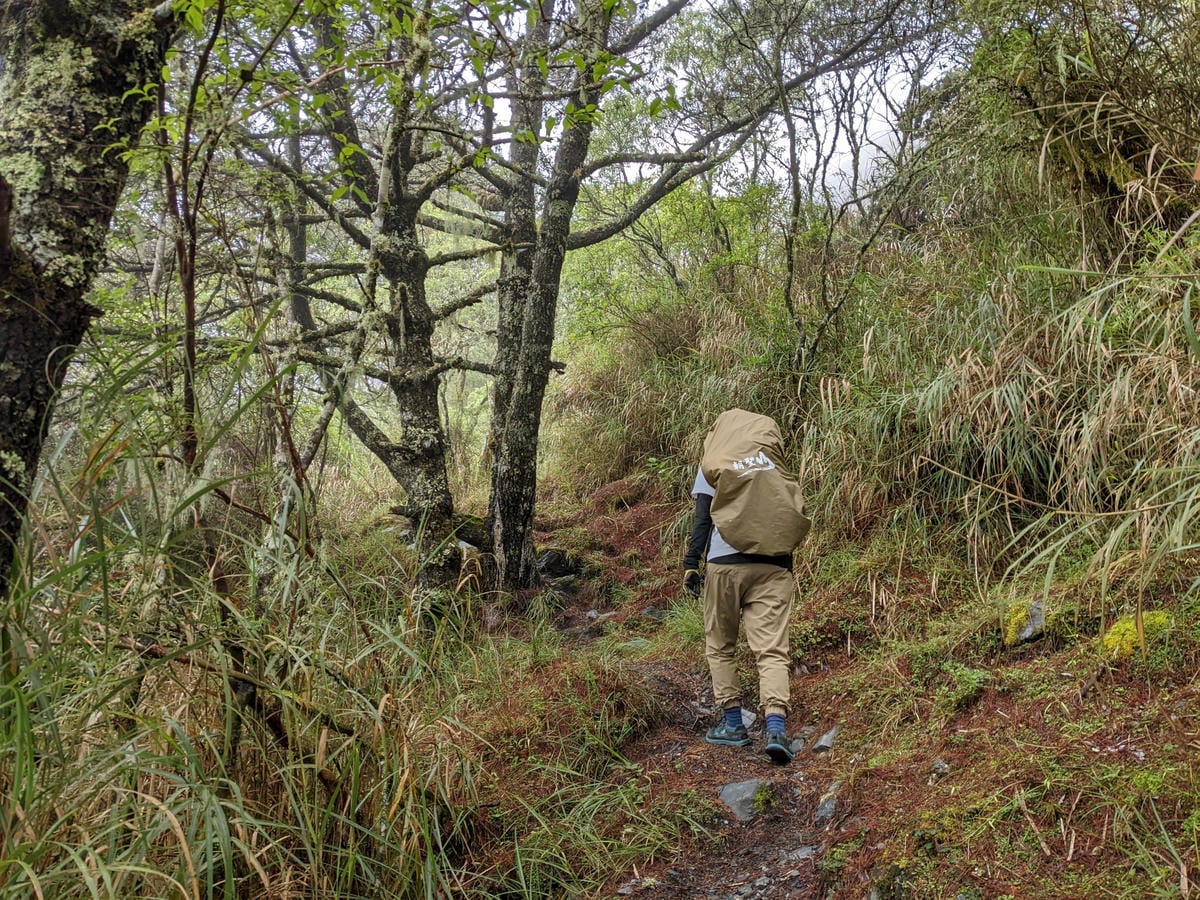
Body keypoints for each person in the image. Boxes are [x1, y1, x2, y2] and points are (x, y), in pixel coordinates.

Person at [683, 409, 810, 764]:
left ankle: (733, 724)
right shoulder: (773, 464)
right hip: (774, 565)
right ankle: (776, 728)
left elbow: (703, 516)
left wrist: (691, 564)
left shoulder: (715, 462)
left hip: (725, 565)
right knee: (772, 650)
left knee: (721, 644)